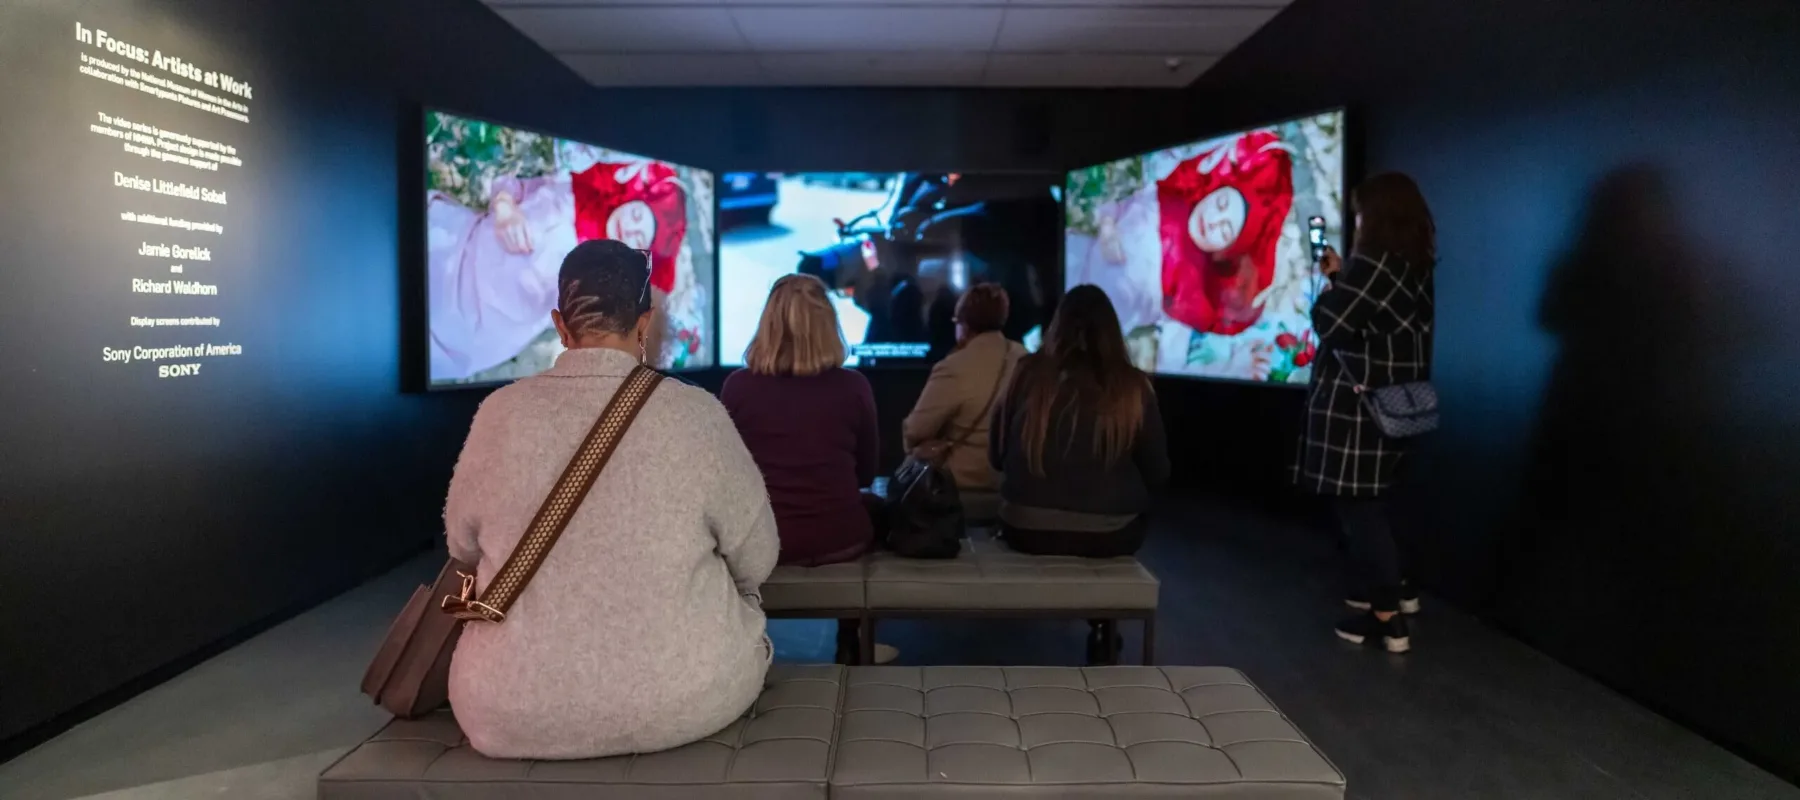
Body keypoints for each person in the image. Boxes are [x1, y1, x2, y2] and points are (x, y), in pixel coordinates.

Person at [444, 239, 778, 760]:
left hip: (507, 711)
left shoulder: (498, 412)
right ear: (644, 326)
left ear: (560, 325)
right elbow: (758, 559)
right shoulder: (696, 414)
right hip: (685, 699)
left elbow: (461, 547)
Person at [1295, 172, 1437, 654]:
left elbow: (1330, 323)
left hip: (1361, 410)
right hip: (1398, 405)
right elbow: (1370, 320)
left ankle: (1386, 621)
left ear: (1373, 217)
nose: (1356, 222)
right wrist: (1340, 276)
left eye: (1359, 214)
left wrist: (1331, 286)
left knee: (1361, 509)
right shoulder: (1413, 264)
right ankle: (1398, 590)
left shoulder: (1373, 263)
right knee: (1383, 504)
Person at [721, 274, 895, 664]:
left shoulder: (737, 387)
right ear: (827, 324)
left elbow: (727, 480)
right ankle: (852, 639)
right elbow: (866, 474)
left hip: (764, 542)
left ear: (768, 324)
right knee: (874, 507)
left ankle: (745, 648)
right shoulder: (854, 387)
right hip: (840, 539)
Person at [989, 284, 1169, 663]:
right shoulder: (1134, 386)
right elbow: (1158, 472)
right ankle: (1104, 628)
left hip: (1025, 529)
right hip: (1111, 535)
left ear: (1057, 326)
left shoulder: (1027, 372)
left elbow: (997, 457)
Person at [902, 284, 1026, 522]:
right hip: (1012, 481)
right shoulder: (1025, 359)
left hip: (962, 486)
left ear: (964, 325)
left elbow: (916, 430)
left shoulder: (953, 367)